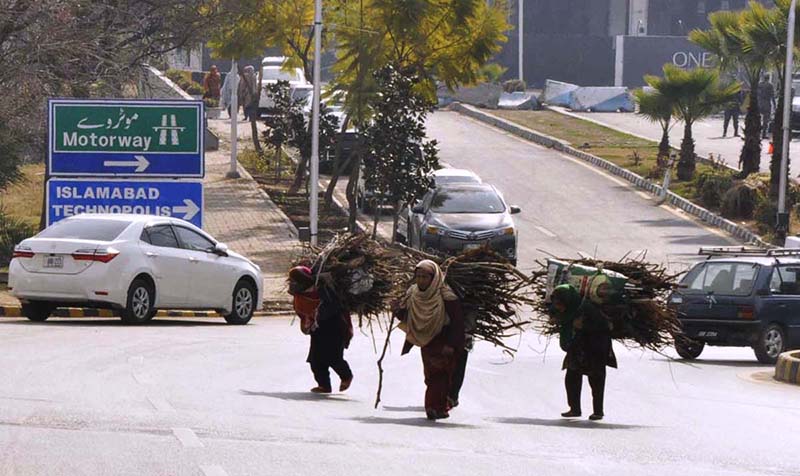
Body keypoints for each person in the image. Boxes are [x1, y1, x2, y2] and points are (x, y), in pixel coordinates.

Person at [393, 260, 465, 421]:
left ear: (434, 278)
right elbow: (405, 315)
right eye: (418, 276)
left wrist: (451, 344)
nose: (421, 280)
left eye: (425, 277)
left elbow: (457, 322)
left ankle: (433, 407)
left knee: (441, 374)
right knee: (431, 375)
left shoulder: (447, 296)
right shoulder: (413, 294)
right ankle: (439, 406)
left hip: (444, 338)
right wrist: (396, 309)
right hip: (425, 339)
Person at [549, 284, 617, 421]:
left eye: (560, 303)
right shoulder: (569, 308)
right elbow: (555, 314)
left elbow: (603, 327)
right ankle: (574, 409)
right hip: (578, 347)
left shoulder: (587, 309)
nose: (558, 306)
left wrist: (584, 326)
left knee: (596, 378)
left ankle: (598, 411)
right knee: (572, 377)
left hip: (596, 347)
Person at [288, 266, 354, 394]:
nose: (292, 284)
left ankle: (346, 376)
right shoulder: (299, 296)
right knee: (315, 360)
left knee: (334, 357)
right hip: (317, 330)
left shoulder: (323, 290)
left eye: (296, 281)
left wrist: (317, 314)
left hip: (335, 327)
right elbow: (302, 314)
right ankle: (324, 385)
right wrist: (308, 322)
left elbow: (335, 308)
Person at [448, 305, 476, 409]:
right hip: (459, 334)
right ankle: (450, 396)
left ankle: (451, 396)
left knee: (457, 365)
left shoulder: (471, 300)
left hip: (461, 335)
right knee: (457, 366)